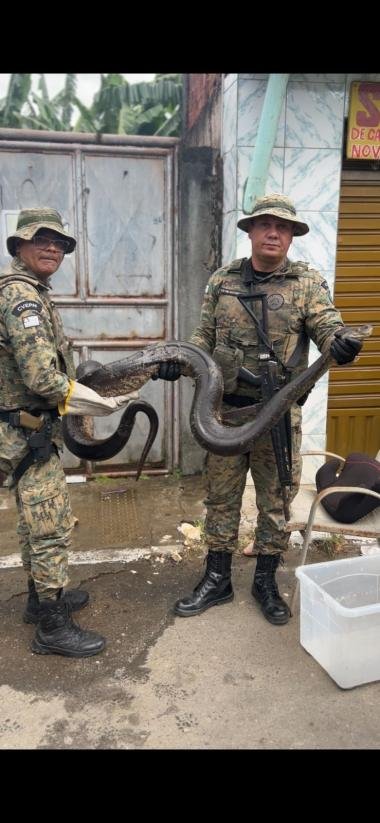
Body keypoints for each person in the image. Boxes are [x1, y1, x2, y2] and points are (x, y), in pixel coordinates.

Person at [154, 193, 363, 625]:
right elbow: (203, 336)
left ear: (291, 236)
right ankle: (217, 578)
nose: (273, 233)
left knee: (275, 501)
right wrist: (182, 359)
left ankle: (265, 581)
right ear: (250, 230)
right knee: (221, 498)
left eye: (282, 227)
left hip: (277, 418)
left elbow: (328, 327)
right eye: (265, 224)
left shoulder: (306, 284)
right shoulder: (223, 280)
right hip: (225, 414)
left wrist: (340, 342)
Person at [0, 208, 139, 657]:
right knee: (50, 526)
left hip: (26, 431)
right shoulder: (21, 298)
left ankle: (39, 602)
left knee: (33, 521)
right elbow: (42, 378)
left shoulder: (30, 291)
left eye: (58, 242)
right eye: (41, 239)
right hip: (26, 433)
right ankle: (52, 627)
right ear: (20, 245)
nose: (52, 248)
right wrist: (94, 401)